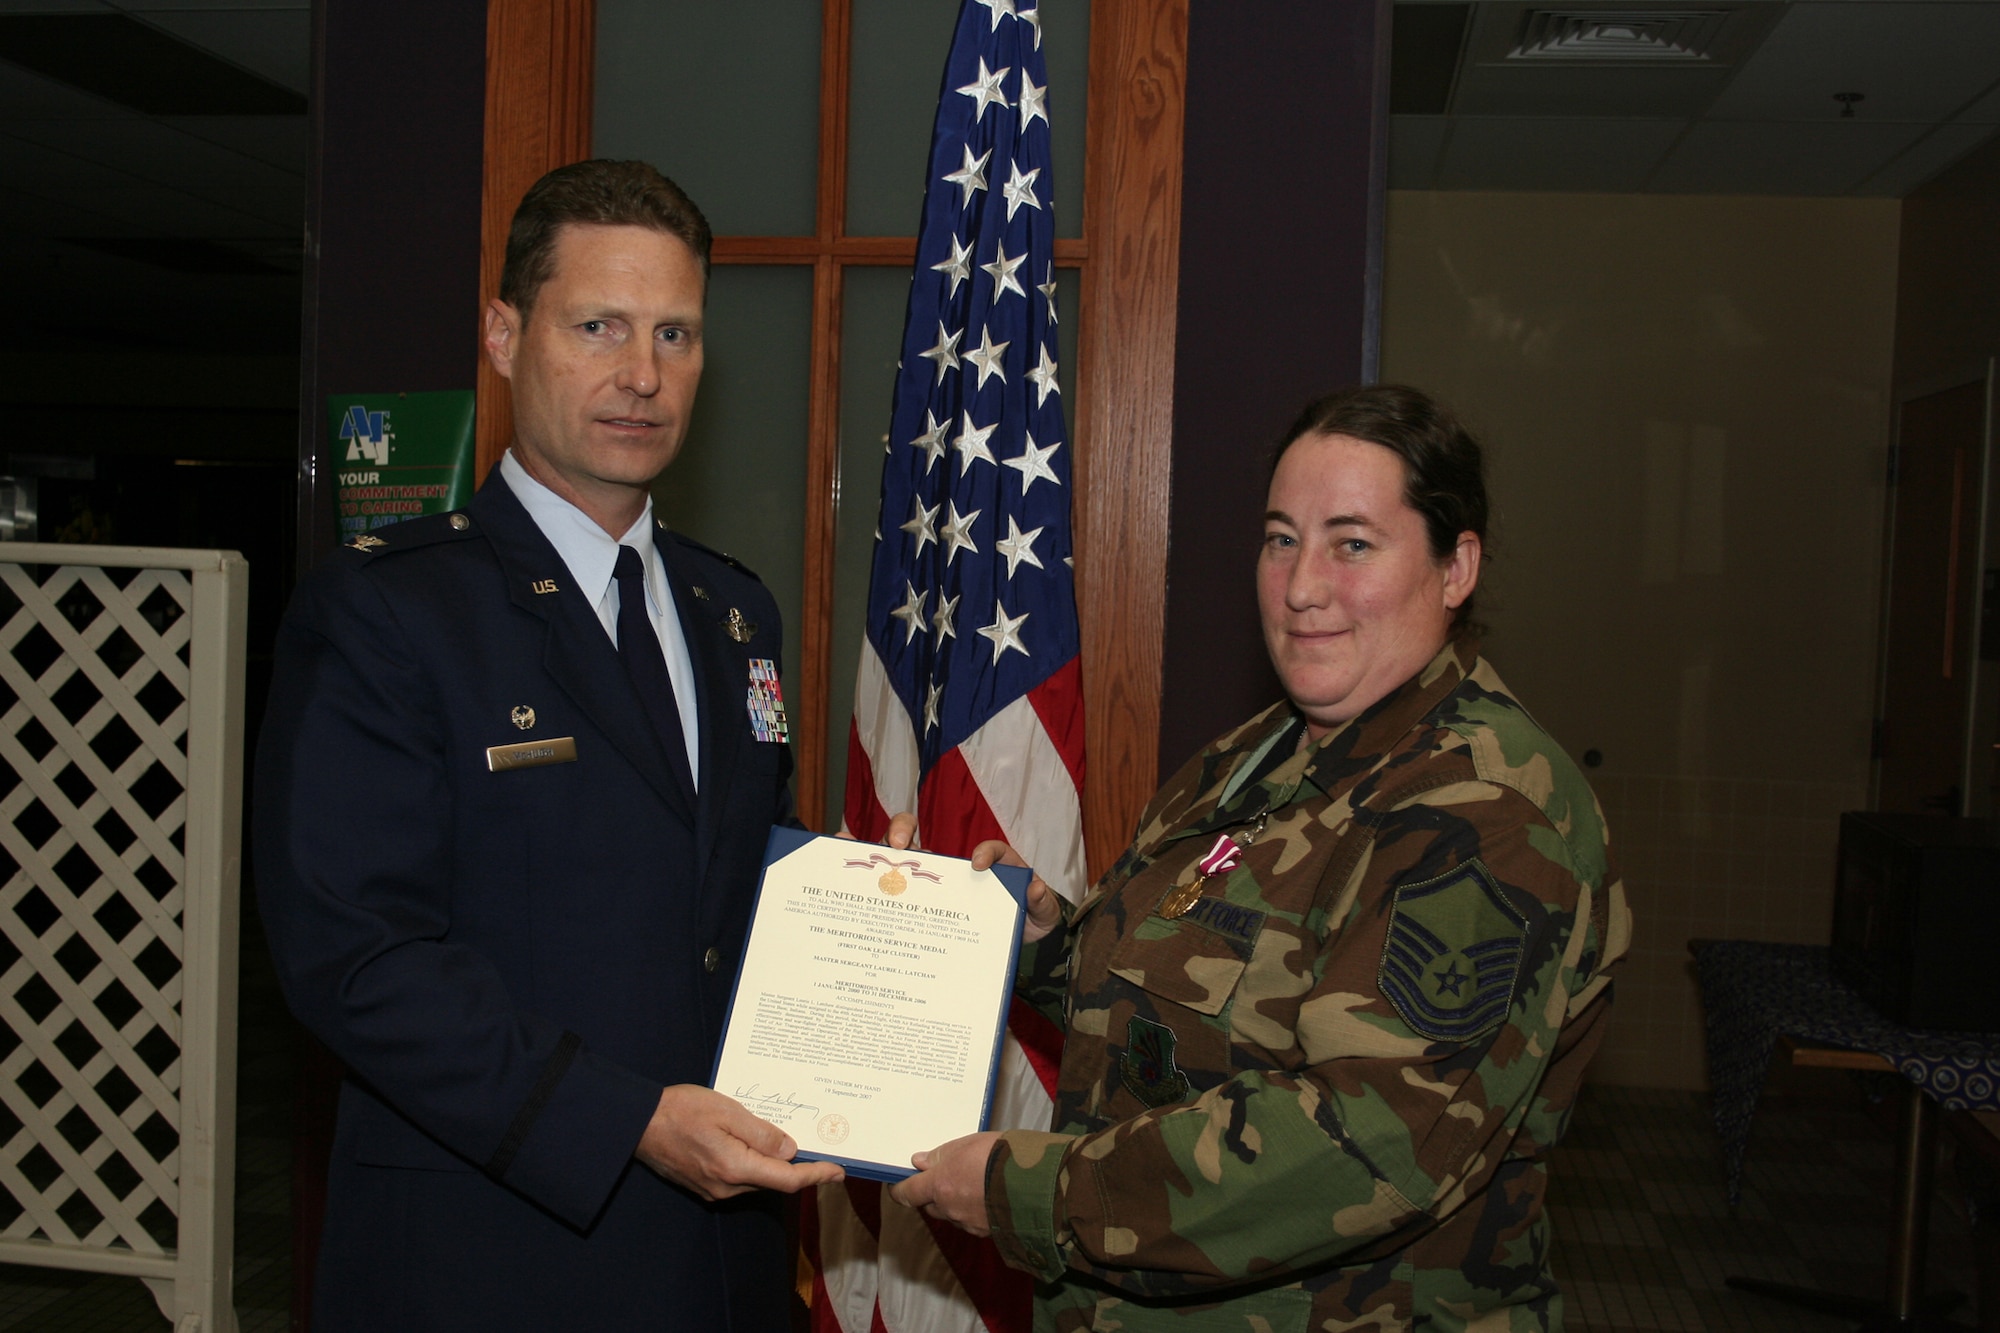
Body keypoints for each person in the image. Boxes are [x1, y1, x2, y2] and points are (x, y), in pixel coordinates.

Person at [892, 384, 1633, 1330]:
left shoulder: (1490, 811)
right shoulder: (1262, 752)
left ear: (1457, 567)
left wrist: (1027, 1191)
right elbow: (1198, 1007)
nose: (1301, 585)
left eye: (1351, 542)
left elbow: (1362, 1143)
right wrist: (1044, 943)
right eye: (1281, 537)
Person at [255, 159, 842, 1331]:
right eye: (599, 326)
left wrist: (917, 906)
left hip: (717, 1263)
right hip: (490, 1256)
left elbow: (734, 885)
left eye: (676, 333)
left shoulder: (736, 615)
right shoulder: (388, 614)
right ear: (505, 332)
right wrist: (622, 1119)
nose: (643, 374)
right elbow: (356, 959)